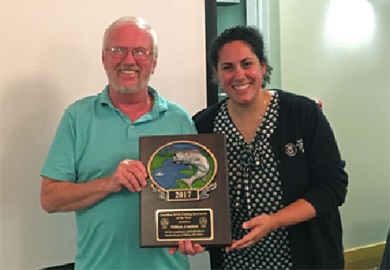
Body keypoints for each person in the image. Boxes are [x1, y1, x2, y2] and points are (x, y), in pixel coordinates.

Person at [173, 25, 349, 269]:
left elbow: (333, 186)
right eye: (227, 67)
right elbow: (201, 195)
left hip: (304, 259)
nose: (239, 75)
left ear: (263, 66)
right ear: (216, 73)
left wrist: (274, 221)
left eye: (247, 63)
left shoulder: (301, 113)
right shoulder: (204, 124)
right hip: (235, 261)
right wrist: (197, 233)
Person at [40, 16, 197, 270]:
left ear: (153, 63)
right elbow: (49, 198)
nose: (129, 60)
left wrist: (196, 235)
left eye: (140, 52)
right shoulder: (77, 117)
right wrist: (109, 183)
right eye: (118, 50)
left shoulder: (179, 120)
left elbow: (196, 200)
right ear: (104, 58)